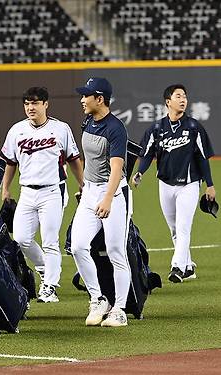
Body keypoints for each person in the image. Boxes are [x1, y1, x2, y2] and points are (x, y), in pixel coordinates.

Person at [1, 87, 83, 303]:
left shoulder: (60, 129)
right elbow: (10, 162)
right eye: (27, 103)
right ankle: (44, 268)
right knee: (20, 238)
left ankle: (50, 287)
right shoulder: (16, 130)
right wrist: (5, 187)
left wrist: (83, 184)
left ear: (46, 104)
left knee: (50, 241)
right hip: (27, 192)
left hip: (52, 191)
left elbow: (73, 158)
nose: (31, 107)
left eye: (35, 103)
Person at [134, 84, 216, 283]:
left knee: (183, 227)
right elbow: (147, 154)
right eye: (178, 96)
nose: (183, 99)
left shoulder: (194, 127)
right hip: (165, 184)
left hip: (189, 184)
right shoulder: (156, 128)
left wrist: (210, 184)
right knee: (174, 229)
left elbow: (203, 157)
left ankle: (177, 267)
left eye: (185, 96)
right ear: (168, 102)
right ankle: (188, 266)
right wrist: (140, 172)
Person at [70, 77, 131, 327]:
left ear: (100, 99)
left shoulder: (116, 128)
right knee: (78, 246)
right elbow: (90, 160)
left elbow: (117, 167)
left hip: (113, 194)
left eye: (87, 95)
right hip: (90, 192)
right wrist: (85, 188)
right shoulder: (87, 121)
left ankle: (120, 309)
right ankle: (98, 298)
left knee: (116, 252)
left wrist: (106, 198)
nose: (82, 99)